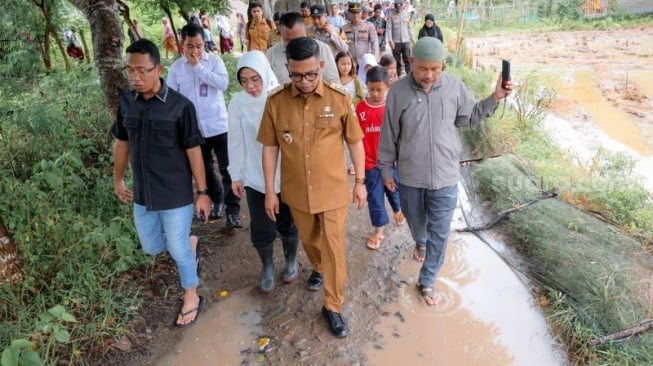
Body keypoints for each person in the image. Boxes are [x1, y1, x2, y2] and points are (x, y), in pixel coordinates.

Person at [377, 37, 513, 306]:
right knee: (417, 223)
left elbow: (470, 117)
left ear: (443, 66)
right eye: (423, 69)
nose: (429, 75)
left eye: (435, 69)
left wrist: (496, 97)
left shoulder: (454, 87)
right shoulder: (398, 92)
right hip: (411, 177)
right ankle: (420, 241)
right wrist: (385, 170)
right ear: (412, 63)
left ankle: (427, 280)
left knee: (440, 230)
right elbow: (389, 134)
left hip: (446, 176)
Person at [257, 37, 366, 338]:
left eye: (310, 74)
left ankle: (332, 305)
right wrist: (269, 190)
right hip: (297, 193)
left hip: (332, 192)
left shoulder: (339, 98)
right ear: (287, 68)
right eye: (296, 75)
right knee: (312, 243)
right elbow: (269, 148)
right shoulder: (276, 102)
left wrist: (359, 181)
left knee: (333, 248)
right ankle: (320, 267)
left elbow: (355, 141)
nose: (304, 81)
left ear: (320, 66)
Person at [112, 39, 210, 326]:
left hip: (175, 192)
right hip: (143, 193)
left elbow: (194, 151)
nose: (135, 77)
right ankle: (190, 244)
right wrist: (118, 179)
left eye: (142, 70)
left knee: (176, 248)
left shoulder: (180, 107)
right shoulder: (127, 103)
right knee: (152, 247)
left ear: (159, 69)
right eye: (130, 71)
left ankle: (191, 295)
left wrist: (202, 192)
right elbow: (122, 143)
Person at [227, 50, 300, 292]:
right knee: (262, 226)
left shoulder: (280, 96)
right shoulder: (238, 103)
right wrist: (235, 174)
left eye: (255, 78)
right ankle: (267, 265)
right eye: (244, 80)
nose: (251, 86)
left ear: (265, 74)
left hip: (286, 174)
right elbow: (235, 140)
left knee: (288, 222)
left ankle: (291, 260)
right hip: (255, 176)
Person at [167, 24, 242, 228]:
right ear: (182, 45)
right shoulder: (176, 69)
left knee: (228, 169)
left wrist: (199, 68)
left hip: (218, 125)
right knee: (205, 169)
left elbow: (223, 84)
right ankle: (217, 200)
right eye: (190, 46)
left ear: (204, 44)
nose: (195, 51)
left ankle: (233, 211)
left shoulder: (214, 61)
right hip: (193, 130)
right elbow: (171, 98)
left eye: (199, 46)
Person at [356, 66, 404, 250]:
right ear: (366, 86)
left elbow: (399, 135)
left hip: (390, 163)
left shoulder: (392, 108)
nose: (375, 93)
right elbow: (356, 139)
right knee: (375, 199)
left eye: (380, 90)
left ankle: (398, 210)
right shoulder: (360, 109)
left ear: (388, 87)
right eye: (371, 89)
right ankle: (378, 232)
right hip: (369, 164)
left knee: (394, 190)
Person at [266, 12, 339, 85]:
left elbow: (333, 82)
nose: (295, 43)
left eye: (298, 38)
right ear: (281, 35)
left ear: (305, 32)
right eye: (288, 40)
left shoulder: (323, 49)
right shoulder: (271, 54)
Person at [386, 0, 414, 76]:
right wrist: (390, 41)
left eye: (400, 7)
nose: (398, 9)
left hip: (406, 40)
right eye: (397, 7)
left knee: (407, 59)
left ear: (402, 6)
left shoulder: (406, 14)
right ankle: (398, 76)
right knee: (397, 61)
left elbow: (409, 28)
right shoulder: (390, 15)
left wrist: (412, 39)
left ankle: (409, 76)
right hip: (396, 42)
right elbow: (389, 29)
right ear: (394, 7)